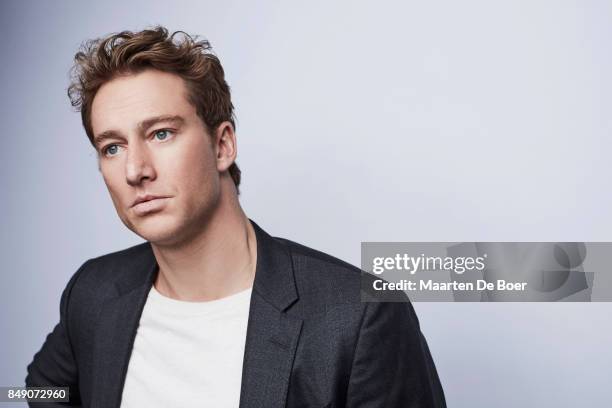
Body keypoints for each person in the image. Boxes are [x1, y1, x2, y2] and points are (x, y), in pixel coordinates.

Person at [25, 26, 446, 407]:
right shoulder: (94, 290)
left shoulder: (358, 315)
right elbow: (36, 389)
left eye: (161, 133)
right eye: (112, 147)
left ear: (223, 145)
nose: (135, 169)